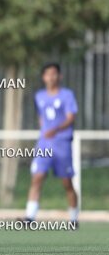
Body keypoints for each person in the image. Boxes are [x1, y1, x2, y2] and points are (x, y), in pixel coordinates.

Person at [22, 63, 78, 226]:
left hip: (62, 143)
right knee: (37, 177)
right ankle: (30, 217)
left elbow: (70, 117)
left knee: (67, 182)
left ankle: (73, 218)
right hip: (44, 143)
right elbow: (41, 117)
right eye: (47, 74)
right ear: (43, 77)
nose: (51, 77)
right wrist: (45, 130)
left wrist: (55, 129)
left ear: (59, 76)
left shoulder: (67, 95)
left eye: (54, 74)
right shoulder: (39, 96)